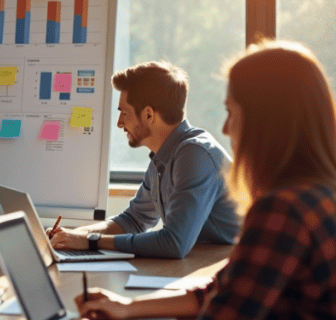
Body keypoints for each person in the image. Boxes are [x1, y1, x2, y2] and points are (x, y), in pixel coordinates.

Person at [47, 40, 336, 320]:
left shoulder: (283, 212)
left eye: (231, 111)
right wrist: (127, 308)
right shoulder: (328, 195)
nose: (225, 129)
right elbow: (218, 291)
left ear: (266, 119)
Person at [50, 61, 240, 258]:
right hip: (200, 263)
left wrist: (90, 241)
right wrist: (72, 235)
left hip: (230, 268)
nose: (119, 123)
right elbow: (133, 221)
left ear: (148, 114)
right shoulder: (163, 158)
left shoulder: (195, 154)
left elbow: (173, 243)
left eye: (124, 113)